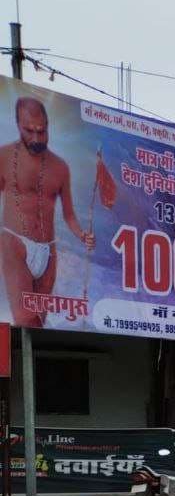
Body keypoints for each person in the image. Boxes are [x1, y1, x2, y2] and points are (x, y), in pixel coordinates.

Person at [0, 98, 95, 327]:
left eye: (41, 131)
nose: (36, 138)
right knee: (26, 320)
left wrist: (82, 235)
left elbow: (69, 214)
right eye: (29, 130)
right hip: (15, 244)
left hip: (48, 251)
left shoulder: (60, 167)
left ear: (47, 125)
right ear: (18, 124)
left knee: (39, 326)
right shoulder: (3, 157)